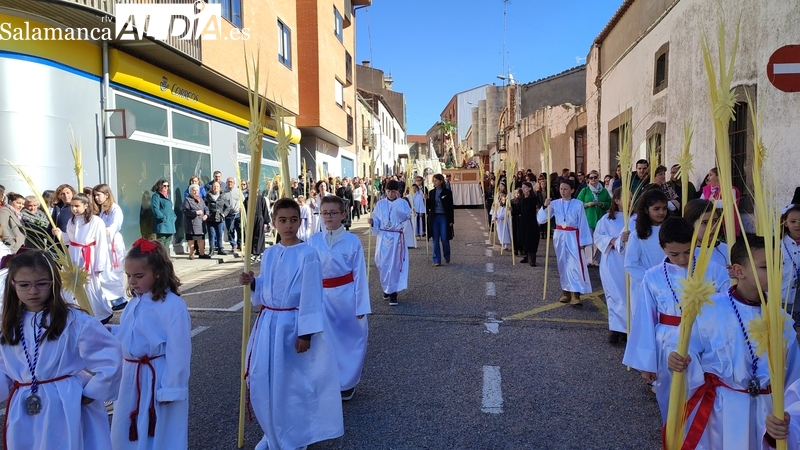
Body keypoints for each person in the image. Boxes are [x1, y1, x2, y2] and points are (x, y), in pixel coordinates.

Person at [668, 236, 800, 450]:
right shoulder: (710, 309)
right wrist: (678, 358)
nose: (777, 273)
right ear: (739, 271)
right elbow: (685, 346)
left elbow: (794, 378)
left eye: (780, 265)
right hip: (723, 407)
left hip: (768, 412)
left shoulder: (781, 319)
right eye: (766, 266)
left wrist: (788, 418)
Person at [238, 198, 344, 450]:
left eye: (293, 220)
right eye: (282, 220)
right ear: (273, 222)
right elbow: (266, 286)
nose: (288, 225)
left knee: (291, 384)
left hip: (292, 326)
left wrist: (305, 333)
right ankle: (271, 432)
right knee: (265, 379)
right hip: (269, 324)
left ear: (300, 221)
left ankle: (294, 436)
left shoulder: (308, 254)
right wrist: (253, 283)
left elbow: (310, 295)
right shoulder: (271, 253)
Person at [0, 250, 122, 449]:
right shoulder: (9, 324)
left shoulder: (74, 321)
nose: (33, 291)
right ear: (12, 285)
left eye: (41, 284)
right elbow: (4, 368)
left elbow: (110, 358)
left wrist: (92, 392)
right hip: (24, 406)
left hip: (66, 403)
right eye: (24, 285)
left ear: (53, 283)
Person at [622, 217, 730, 423]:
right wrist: (647, 364)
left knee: (708, 401)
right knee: (672, 401)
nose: (682, 259)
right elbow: (644, 319)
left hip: (707, 344)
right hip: (667, 345)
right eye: (674, 254)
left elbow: (727, 307)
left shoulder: (714, 269)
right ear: (662, 248)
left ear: (695, 243)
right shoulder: (652, 276)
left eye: (688, 252)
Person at [109, 238, 191, 450]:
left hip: (156, 377)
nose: (132, 282)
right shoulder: (134, 302)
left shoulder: (172, 305)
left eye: (138, 276)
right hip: (131, 377)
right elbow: (133, 335)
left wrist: (171, 388)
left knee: (158, 431)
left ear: (157, 273)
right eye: (129, 276)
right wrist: (111, 333)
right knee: (126, 428)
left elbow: (179, 350)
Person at [308, 196, 370, 401]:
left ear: (343, 215)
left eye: (333, 213)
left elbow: (360, 274)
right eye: (325, 213)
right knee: (322, 341)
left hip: (345, 297)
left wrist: (361, 304)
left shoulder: (352, 241)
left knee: (348, 340)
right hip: (321, 297)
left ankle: (347, 382)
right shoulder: (314, 240)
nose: (328, 217)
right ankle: (325, 381)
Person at [55, 193, 114, 323]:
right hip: (73, 255)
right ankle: (74, 311)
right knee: (71, 283)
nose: (74, 209)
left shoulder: (96, 221)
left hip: (89, 256)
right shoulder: (72, 221)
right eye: (72, 206)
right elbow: (70, 240)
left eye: (77, 206)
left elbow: (101, 243)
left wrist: (100, 264)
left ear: (86, 206)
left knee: (90, 285)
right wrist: (60, 234)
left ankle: (98, 312)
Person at [538, 180, 593, 306]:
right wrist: (545, 206)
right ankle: (566, 291)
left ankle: (576, 293)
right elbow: (541, 220)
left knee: (574, 264)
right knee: (562, 263)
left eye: (565, 189)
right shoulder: (555, 203)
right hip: (559, 235)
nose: (562, 191)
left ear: (572, 190)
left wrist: (583, 241)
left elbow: (583, 223)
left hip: (573, 236)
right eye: (561, 189)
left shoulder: (578, 204)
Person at [623, 189, 669, 317]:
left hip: (668, 283)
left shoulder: (671, 231)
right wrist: (652, 279)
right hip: (644, 286)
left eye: (664, 208)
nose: (661, 212)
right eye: (656, 208)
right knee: (646, 321)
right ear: (646, 210)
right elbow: (631, 264)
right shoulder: (637, 236)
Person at [594, 188, 628, 344]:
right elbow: (598, 235)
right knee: (614, 295)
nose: (629, 200)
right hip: (612, 260)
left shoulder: (637, 219)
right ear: (617, 200)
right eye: (626, 197)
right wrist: (612, 240)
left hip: (629, 262)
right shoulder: (607, 219)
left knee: (628, 296)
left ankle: (627, 329)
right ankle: (615, 329)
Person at [370, 180, 412, 305]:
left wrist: (398, 203)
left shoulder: (403, 203)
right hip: (383, 237)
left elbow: (404, 217)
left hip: (396, 238)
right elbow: (376, 219)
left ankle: (393, 293)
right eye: (388, 191)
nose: (390, 194)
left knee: (394, 266)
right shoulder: (380, 204)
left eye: (393, 191)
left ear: (397, 191)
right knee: (381, 263)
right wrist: (372, 222)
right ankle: (387, 288)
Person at [92, 184, 128, 310]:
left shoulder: (115, 209)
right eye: (95, 195)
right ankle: (110, 299)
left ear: (107, 194)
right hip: (102, 244)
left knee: (114, 272)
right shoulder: (99, 210)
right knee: (105, 272)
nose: (96, 198)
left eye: (98, 195)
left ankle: (120, 299)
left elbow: (115, 225)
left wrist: (105, 231)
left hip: (112, 243)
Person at [577, 170, 611, 266]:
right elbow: (578, 203)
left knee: (599, 239)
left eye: (595, 177)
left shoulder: (604, 191)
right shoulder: (585, 190)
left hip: (600, 218)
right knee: (588, 240)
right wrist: (587, 204)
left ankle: (596, 260)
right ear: (588, 180)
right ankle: (588, 260)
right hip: (588, 218)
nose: (593, 179)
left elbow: (610, 203)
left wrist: (602, 204)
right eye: (591, 178)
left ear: (598, 178)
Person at [683, 199, 729, 268]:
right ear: (690, 224)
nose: (712, 227)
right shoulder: (685, 255)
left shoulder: (727, 250)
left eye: (715, 221)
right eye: (705, 223)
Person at [700, 167, 742, 237]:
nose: (708, 178)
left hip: (726, 221)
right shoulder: (707, 189)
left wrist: (711, 203)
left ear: (718, 176)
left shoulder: (730, 189)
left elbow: (729, 203)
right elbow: (700, 202)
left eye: (711, 175)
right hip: (710, 221)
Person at [426, 174, 455, 267]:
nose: (434, 182)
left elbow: (451, 207)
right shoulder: (432, 192)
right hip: (434, 217)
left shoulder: (447, 192)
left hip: (444, 217)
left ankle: (447, 255)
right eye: (433, 181)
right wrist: (426, 199)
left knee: (444, 238)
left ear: (441, 181)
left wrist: (451, 220)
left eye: (436, 181)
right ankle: (436, 259)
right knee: (435, 239)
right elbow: (430, 206)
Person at [781, 204, 800, 332]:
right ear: (785, 223)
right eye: (793, 221)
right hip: (782, 299)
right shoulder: (776, 245)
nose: (797, 225)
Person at [182, 184, 211, 260]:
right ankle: (191, 254)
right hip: (192, 223)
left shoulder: (201, 199)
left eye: (197, 190)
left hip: (201, 223)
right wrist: (195, 212)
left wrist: (206, 215)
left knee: (201, 239)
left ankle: (202, 253)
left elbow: (206, 208)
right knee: (192, 239)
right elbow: (185, 211)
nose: (195, 192)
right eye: (194, 190)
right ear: (190, 191)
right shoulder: (187, 200)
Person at [519, 182, 543, 266]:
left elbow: (529, 206)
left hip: (531, 221)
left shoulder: (533, 198)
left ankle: (532, 259)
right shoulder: (521, 198)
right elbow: (520, 208)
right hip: (523, 221)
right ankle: (526, 256)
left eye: (525, 187)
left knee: (531, 239)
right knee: (524, 238)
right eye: (522, 188)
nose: (523, 189)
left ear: (529, 188)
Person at [150, 180, 176, 252]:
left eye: (167, 186)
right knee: (161, 243)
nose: (166, 187)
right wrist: (162, 218)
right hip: (162, 224)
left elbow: (170, 209)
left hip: (169, 224)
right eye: (164, 186)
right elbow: (155, 209)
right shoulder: (156, 196)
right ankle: (161, 260)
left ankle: (166, 260)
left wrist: (174, 217)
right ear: (159, 186)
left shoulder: (167, 197)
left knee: (167, 243)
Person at [204, 181, 229, 256]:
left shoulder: (223, 196)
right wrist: (206, 214)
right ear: (212, 187)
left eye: (217, 186)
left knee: (219, 234)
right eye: (214, 186)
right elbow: (204, 206)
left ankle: (220, 248)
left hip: (220, 218)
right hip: (210, 218)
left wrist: (224, 214)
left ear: (219, 188)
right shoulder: (208, 196)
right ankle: (211, 249)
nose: (215, 188)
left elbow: (228, 207)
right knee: (211, 234)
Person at [224, 177, 243, 252]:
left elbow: (243, 201)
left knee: (239, 230)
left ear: (234, 183)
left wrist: (241, 207)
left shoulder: (238, 191)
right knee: (230, 230)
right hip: (228, 215)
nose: (230, 183)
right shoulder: (224, 192)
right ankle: (233, 245)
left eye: (231, 182)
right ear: (226, 183)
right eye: (228, 182)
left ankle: (240, 244)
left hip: (237, 214)